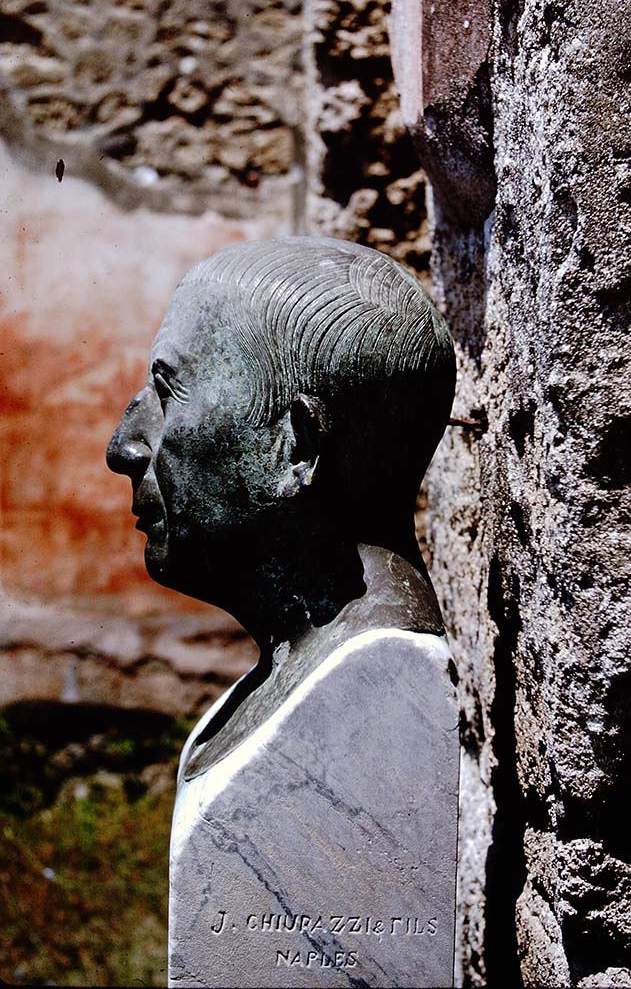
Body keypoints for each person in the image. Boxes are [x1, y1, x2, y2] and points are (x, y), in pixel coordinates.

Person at [107, 236, 456, 778]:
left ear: (296, 448)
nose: (124, 448)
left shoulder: (371, 697)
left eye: (168, 392)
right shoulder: (297, 676)